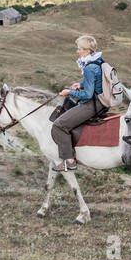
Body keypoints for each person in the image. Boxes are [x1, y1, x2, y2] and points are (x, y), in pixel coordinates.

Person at [49, 35, 107, 170]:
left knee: (59, 125)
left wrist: (69, 92)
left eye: (79, 49)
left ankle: (69, 161)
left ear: (87, 50)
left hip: (92, 104)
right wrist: (80, 84)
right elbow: (95, 83)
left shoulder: (88, 67)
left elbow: (87, 94)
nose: (77, 51)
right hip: (101, 101)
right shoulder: (98, 61)